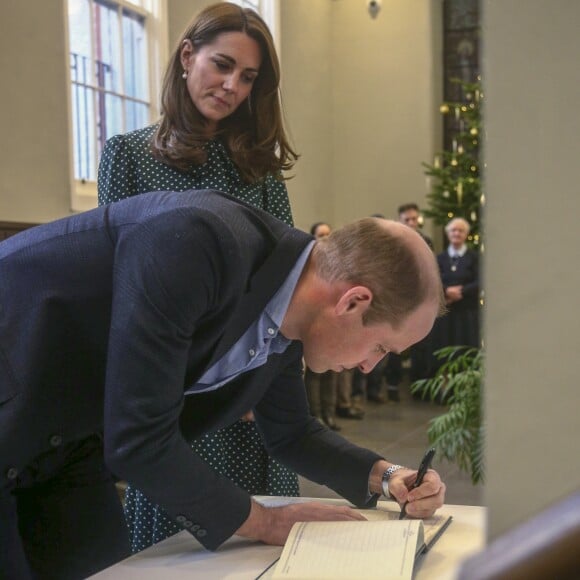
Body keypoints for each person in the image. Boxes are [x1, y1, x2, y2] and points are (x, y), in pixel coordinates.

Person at [0, 190, 447, 579]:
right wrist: (265, 522)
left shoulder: (291, 315)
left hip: (69, 448)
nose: (370, 367)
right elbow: (138, 440)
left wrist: (390, 478)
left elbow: (291, 433)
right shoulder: (200, 240)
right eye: (382, 348)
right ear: (353, 302)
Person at [97, 2, 300, 553]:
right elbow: (123, 288)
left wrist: (266, 378)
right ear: (187, 55)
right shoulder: (129, 155)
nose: (232, 85)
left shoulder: (259, 168)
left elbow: (286, 289)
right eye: (222, 64)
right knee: (178, 552)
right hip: (175, 394)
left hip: (250, 393)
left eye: (248, 77)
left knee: (263, 548)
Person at [303, 222, 341, 430]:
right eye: (321, 234)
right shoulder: (310, 261)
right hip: (315, 324)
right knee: (314, 375)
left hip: (336, 324)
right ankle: (316, 416)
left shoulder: (340, 261)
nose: (326, 237)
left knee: (332, 374)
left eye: (329, 233)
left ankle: (330, 413)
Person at [433, 217, 480, 352]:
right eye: (453, 230)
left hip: (468, 311)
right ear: (448, 233)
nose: (457, 233)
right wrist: (447, 291)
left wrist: (462, 292)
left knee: (467, 346)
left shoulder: (474, 257)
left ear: (466, 234)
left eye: (461, 231)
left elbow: (480, 280)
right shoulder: (439, 258)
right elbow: (434, 280)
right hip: (446, 312)